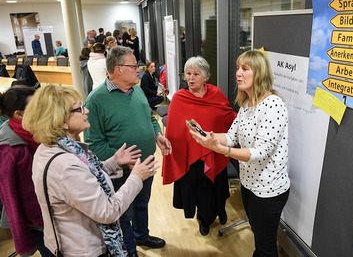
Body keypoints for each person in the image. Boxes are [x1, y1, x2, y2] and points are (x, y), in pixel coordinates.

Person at [22, 85, 160, 257]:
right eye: (79, 108)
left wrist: (113, 163)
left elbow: (86, 180)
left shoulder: (55, 148)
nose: (86, 110)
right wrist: (136, 178)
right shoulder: (65, 166)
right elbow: (107, 212)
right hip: (84, 250)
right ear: (61, 120)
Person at [186, 50, 290, 257]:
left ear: (259, 73)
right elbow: (232, 135)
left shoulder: (273, 104)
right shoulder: (246, 104)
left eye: (245, 69)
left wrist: (221, 150)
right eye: (237, 68)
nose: (238, 74)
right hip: (249, 184)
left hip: (268, 191)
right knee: (258, 236)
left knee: (266, 247)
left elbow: (260, 152)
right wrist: (208, 136)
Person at [84, 46, 172, 257]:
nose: (138, 70)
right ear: (118, 69)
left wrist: (157, 135)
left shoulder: (138, 89)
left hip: (146, 164)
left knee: (142, 203)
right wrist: (123, 160)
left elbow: (150, 117)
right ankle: (129, 248)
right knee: (123, 212)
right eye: (134, 66)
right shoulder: (96, 100)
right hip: (119, 171)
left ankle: (142, 234)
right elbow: (94, 144)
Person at [162, 56, 237, 236]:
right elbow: (173, 130)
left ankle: (220, 210)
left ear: (206, 77)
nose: (191, 78)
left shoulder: (216, 94)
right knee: (201, 190)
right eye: (188, 73)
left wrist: (245, 121)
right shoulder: (180, 98)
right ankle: (204, 219)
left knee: (218, 186)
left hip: (215, 150)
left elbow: (227, 116)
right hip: (193, 155)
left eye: (196, 74)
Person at [0, 85, 53, 257]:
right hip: (39, 221)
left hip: (54, 212)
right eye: (36, 107)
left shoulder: (35, 132)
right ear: (19, 114)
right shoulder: (10, 149)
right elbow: (12, 197)